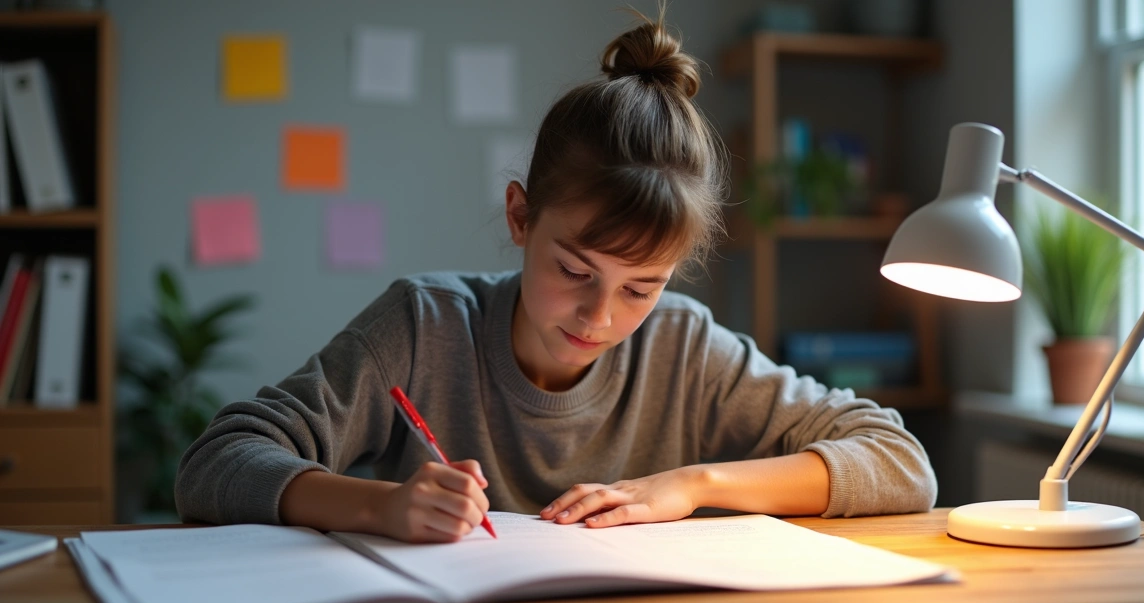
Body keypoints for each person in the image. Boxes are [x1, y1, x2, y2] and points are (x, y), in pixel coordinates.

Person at [175, 6, 936, 544]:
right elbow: (216, 462)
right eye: (575, 269)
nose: (600, 315)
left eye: (642, 286)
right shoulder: (422, 327)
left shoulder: (684, 349)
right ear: (520, 217)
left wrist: (694, 485)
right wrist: (378, 506)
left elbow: (900, 463)